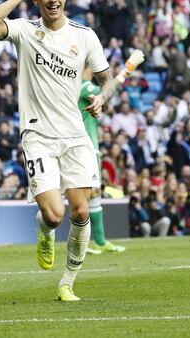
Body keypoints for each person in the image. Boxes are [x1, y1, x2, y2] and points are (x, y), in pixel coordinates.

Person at [0, 0, 143, 301]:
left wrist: (101, 97)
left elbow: (107, 79)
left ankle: (67, 282)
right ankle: (44, 230)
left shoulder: (84, 36)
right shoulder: (25, 31)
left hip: (75, 136)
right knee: (54, 215)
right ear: (37, 0)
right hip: (38, 134)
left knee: (81, 212)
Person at [79, 67, 126, 254]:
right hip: (83, 148)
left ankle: (99, 241)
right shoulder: (84, 87)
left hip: (92, 148)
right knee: (85, 193)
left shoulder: (85, 88)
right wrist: (128, 69)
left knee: (95, 192)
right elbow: (109, 89)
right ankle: (82, 242)